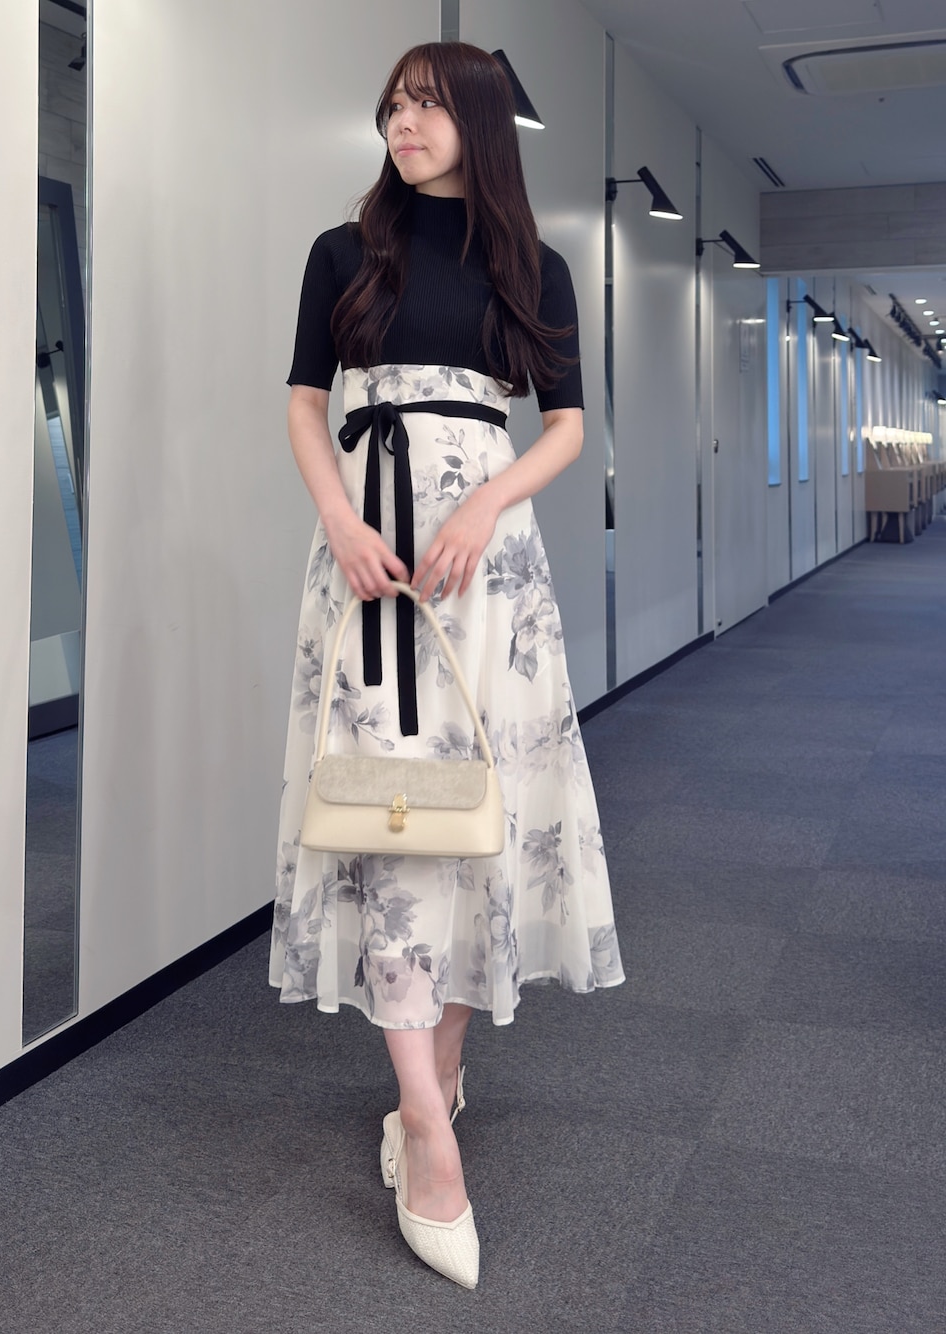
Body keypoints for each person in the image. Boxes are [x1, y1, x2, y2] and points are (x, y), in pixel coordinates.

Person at [270, 41, 624, 1289]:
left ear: (477, 118)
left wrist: (486, 502)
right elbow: (306, 401)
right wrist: (337, 517)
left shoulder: (533, 264)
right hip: (367, 554)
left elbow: (566, 426)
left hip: (484, 566)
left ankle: (441, 1068)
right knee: (385, 819)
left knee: (477, 815)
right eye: (392, 106)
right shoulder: (343, 252)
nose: (401, 123)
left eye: (425, 104)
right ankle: (425, 1122)